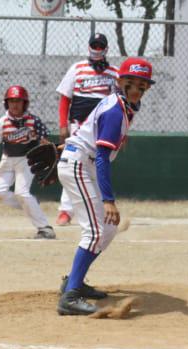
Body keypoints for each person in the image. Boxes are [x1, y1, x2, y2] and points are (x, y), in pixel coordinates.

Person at [54, 57, 154, 317]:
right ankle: (70, 297)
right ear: (118, 82)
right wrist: (108, 199)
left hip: (79, 161)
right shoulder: (116, 109)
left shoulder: (123, 105)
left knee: (107, 230)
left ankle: (74, 282)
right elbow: (100, 155)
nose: (135, 89)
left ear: (147, 88)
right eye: (130, 82)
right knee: (97, 231)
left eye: (141, 85)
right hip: (81, 165)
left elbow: (90, 128)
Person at [0, 85, 56, 241]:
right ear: (6, 103)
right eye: (11, 101)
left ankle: (45, 228)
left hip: (26, 160)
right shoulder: (2, 122)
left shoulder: (33, 121)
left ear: (24, 103)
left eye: (18, 101)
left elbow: (46, 142)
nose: (15, 104)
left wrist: (48, 152)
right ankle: (31, 204)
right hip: (7, 159)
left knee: (21, 193)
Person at [54, 33, 118, 227]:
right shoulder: (77, 68)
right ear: (89, 46)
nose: (97, 49)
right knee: (74, 162)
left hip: (103, 126)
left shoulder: (114, 72)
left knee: (98, 165)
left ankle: (97, 206)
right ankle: (65, 210)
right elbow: (65, 97)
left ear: (106, 49)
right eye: (94, 45)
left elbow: (118, 103)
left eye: (100, 46)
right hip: (79, 124)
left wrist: (122, 132)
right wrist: (63, 125)